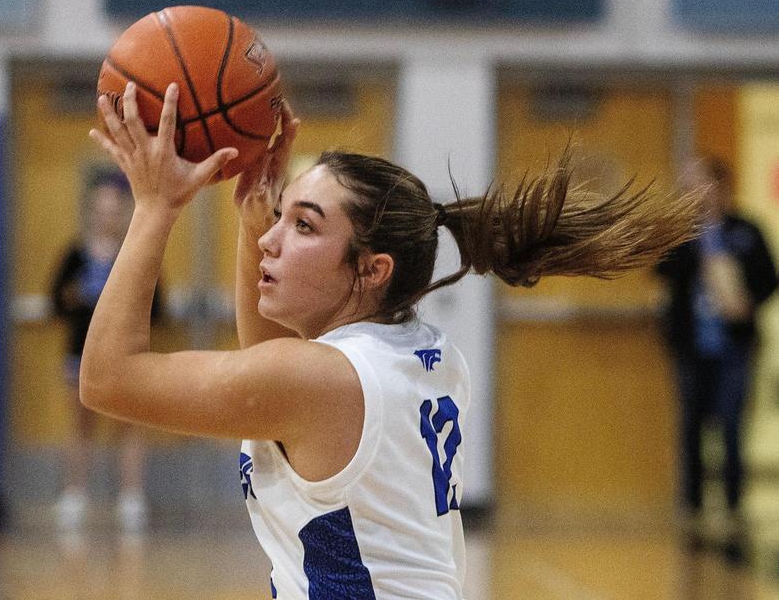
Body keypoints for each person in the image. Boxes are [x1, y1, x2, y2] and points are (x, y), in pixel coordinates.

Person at [81, 82, 699, 598]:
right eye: (281, 217)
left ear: (373, 269)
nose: (272, 239)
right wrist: (252, 227)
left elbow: (108, 379)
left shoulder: (322, 380)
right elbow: (270, 378)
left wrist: (156, 206)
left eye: (303, 226)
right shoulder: (421, 352)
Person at [656, 157, 777, 537]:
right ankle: (692, 506)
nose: (692, 191)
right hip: (692, 346)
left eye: (700, 183)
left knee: (731, 424)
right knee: (691, 424)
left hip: (734, 346)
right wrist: (694, 249)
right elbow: (661, 270)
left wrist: (749, 301)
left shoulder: (746, 230)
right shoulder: (680, 233)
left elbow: (768, 278)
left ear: (720, 188)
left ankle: (733, 506)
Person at [50, 171, 161, 532]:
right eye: (100, 209)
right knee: (81, 425)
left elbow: (157, 304)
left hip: (126, 356)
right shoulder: (75, 255)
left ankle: (131, 498)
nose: (106, 216)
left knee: (128, 426)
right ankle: (75, 495)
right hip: (80, 352)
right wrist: (78, 301)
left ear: (124, 212)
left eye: (113, 210)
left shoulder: (135, 253)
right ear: (91, 212)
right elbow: (56, 300)